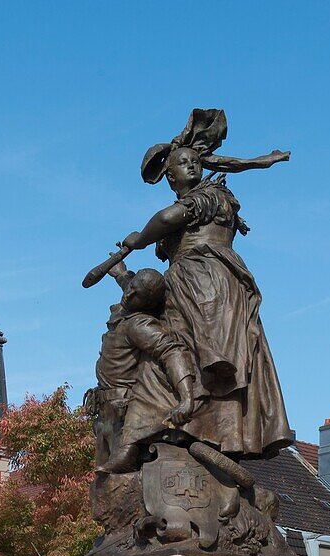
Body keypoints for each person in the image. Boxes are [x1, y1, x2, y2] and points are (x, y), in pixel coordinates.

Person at [112, 108, 294, 459]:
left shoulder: (208, 196)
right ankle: (204, 429)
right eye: (183, 162)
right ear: (170, 176)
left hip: (201, 281)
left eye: (195, 161)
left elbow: (168, 217)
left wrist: (141, 239)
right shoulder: (208, 199)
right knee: (183, 354)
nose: (192, 166)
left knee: (175, 352)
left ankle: (178, 419)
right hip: (215, 281)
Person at [92, 265, 195, 473]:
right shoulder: (127, 308)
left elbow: (172, 351)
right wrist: (122, 274)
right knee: (101, 486)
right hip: (105, 414)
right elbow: (131, 287)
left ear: (146, 303)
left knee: (119, 482)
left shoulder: (139, 325)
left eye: (135, 293)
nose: (128, 294)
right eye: (131, 287)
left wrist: (187, 398)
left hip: (124, 415)